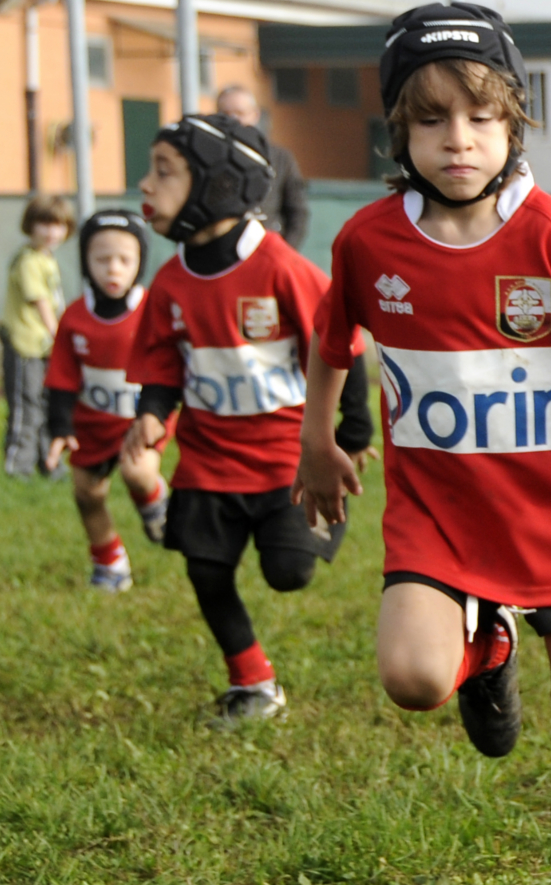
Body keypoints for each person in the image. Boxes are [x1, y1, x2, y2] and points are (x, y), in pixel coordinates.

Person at [294, 4, 551, 885]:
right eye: (430, 119)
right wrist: (317, 442)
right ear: (398, 131)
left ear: (515, 123)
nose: (457, 140)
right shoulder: (367, 239)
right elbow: (332, 345)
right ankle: (487, 649)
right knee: (413, 678)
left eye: (481, 117)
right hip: (437, 518)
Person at [122, 112, 373, 722]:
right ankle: (253, 683)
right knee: (206, 570)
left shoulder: (281, 267)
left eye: (164, 172)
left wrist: (352, 433)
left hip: (287, 460)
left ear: (217, 181)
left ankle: (322, 517)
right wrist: (153, 415)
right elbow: (161, 370)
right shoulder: (170, 282)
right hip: (208, 460)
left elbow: (341, 346)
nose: (145, 186)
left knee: (289, 574)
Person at [44, 210, 171, 592]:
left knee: (137, 471)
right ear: (85, 261)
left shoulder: (152, 312)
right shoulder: (74, 318)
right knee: (87, 493)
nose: (113, 269)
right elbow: (62, 379)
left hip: (139, 422)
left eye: (125, 259)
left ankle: (155, 500)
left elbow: (169, 368)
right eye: (102, 259)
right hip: (92, 426)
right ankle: (109, 559)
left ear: (140, 263)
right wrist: (61, 428)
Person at [1, 193, 73, 478]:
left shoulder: (47, 259)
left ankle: (48, 463)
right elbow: (41, 302)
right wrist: (59, 336)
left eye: (58, 225)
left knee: (47, 404)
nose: (51, 232)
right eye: (44, 224)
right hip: (26, 345)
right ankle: (18, 467)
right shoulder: (29, 260)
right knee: (26, 406)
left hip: (43, 347)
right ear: (30, 225)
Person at [216, 85, 311, 250]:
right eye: (225, 114)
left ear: (255, 115)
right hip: (220, 255)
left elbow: (297, 212)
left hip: (267, 250)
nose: (233, 119)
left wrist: (285, 252)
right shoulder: (207, 159)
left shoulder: (280, 158)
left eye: (240, 113)